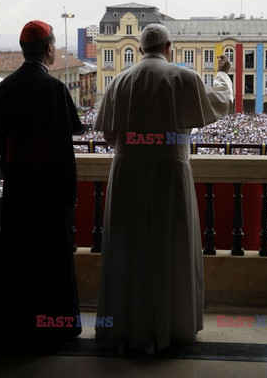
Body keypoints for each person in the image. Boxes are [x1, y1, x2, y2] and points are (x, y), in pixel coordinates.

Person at [94, 23, 233, 351]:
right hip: (170, 172)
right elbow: (219, 103)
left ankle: (127, 325)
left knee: (130, 247)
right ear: (169, 47)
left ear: (140, 49)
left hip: (127, 172)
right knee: (171, 244)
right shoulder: (184, 78)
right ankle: (173, 325)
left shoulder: (119, 81)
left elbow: (109, 136)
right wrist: (223, 74)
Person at [0, 20, 82, 349]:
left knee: (21, 259)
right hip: (47, 189)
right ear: (49, 50)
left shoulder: (6, 88)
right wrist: (69, 194)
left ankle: (20, 326)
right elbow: (64, 149)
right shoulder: (54, 88)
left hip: (18, 186)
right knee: (51, 261)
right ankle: (54, 328)